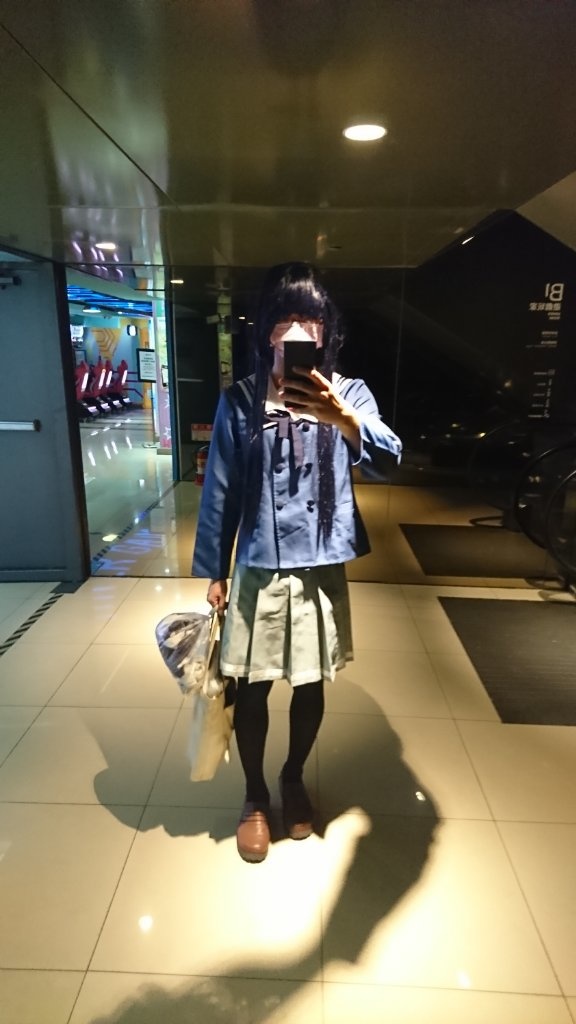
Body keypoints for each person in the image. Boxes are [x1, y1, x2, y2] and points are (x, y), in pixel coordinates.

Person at [191, 262, 402, 863]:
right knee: (253, 686)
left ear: (326, 330)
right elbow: (221, 491)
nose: (297, 330)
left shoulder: (348, 393)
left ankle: (292, 777)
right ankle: (255, 796)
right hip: (259, 565)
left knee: (310, 683)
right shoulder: (241, 400)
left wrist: (341, 417)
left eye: (309, 318)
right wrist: (215, 570)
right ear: (266, 331)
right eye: (285, 318)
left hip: (320, 566)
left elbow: (389, 459)